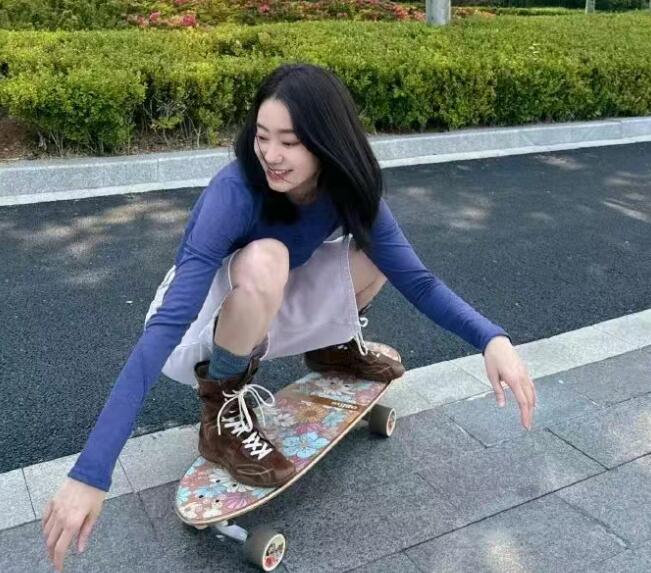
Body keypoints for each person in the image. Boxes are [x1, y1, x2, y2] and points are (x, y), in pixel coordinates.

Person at [42, 63, 536, 572]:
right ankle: (222, 412)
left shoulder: (348, 188)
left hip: (267, 311)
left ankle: (333, 347)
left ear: (327, 143)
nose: (271, 155)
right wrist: (92, 471)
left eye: (290, 142)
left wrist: (491, 339)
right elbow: (167, 327)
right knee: (268, 256)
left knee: (375, 253)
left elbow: (419, 281)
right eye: (262, 137)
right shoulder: (234, 192)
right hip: (199, 331)